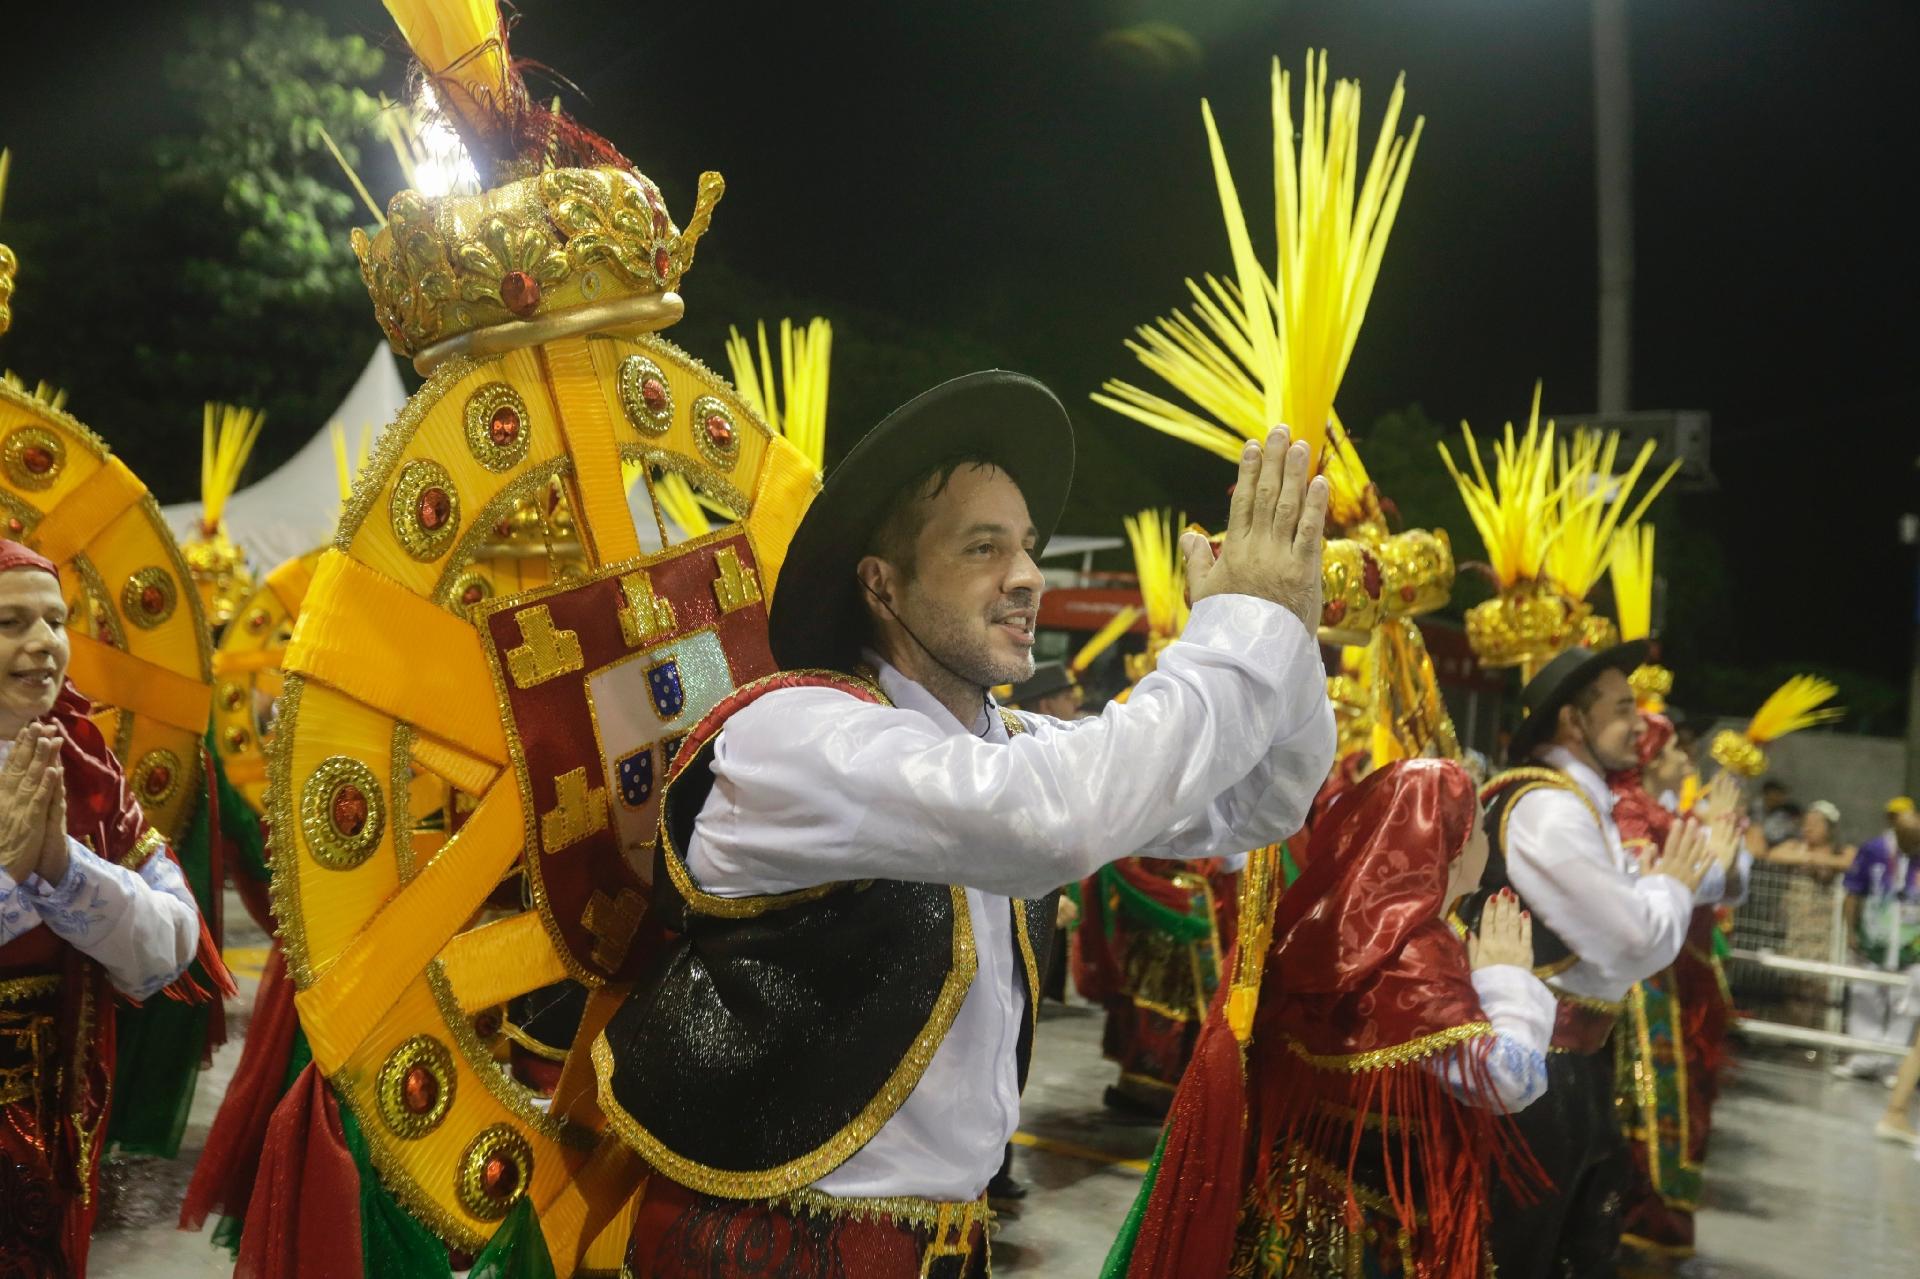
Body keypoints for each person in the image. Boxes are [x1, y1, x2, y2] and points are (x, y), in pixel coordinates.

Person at [593, 392, 1336, 1278]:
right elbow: (1047, 821)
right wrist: (1243, 630)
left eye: (1029, 547)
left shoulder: (1011, 748)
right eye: (984, 547)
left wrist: (1285, 635)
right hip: (767, 1252)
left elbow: (1260, 802)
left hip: (953, 1249)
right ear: (883, 584)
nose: (1027, 575)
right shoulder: (795, 734)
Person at [1117, 758, 1554, 1279]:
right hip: (1366, 1222)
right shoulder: (1415, 953)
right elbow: (1507, 1080)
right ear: (1451, 841)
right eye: (1480, 827)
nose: (1488, 841)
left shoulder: (1346, 925)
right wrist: (1510, 981)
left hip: (1304, 1198)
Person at [1461, 643, 1739, 1279]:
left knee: (1573, 1248)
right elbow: (1632, 942)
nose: (1640, 725)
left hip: (1575, 1065)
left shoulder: (1581, 804)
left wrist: (1663, 888)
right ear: (1571, 721)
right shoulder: (1550, 810)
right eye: (1621, 709)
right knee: (1521, 1255)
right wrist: (1670, 886)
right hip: (1538, 1076)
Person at [0, 540, 225, 1277]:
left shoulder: (88, 767)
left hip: (53, 1131)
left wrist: (65, 868)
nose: (43, 644)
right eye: (11, 621)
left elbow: (172, 943)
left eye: (55, 620)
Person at [1610, 711, 1751, 1260]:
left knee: (1688, 1099)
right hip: (1648, 993)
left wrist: (1723, 845)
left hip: (1683, 984)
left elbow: (1725, 890)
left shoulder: (1670, 816)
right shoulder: (1629, 816)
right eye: (1673, 751)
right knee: (1646, 1104)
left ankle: (1657, 1222)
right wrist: (1715, 849)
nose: (1686, 761)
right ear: (1648, 760)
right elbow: (1669, 888)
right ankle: (1639, 1219)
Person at [1832, 801, 1920, 1081]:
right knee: (1864, 996)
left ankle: (1892, 1065)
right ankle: (1863, 1057)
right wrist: (1851, 932)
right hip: (1874, 939)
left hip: (1911, 946)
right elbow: (1853, 892)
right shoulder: (1874, 849)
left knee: (1905, 1005)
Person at [1765, 800, 1856, 1030]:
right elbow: (1773, 854)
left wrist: (1823, 860)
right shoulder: (1797, 847)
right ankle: (1797, 1032)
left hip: (1826, 933)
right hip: (1798, 930)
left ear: (1830, 828)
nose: (1809, 828)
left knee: (1820, 986)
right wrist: (1811, 858)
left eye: (1816, 823)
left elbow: (1851, 862)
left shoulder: (1841, 850)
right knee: (1795, 984)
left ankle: (1816, 1035)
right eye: (1807, 823)